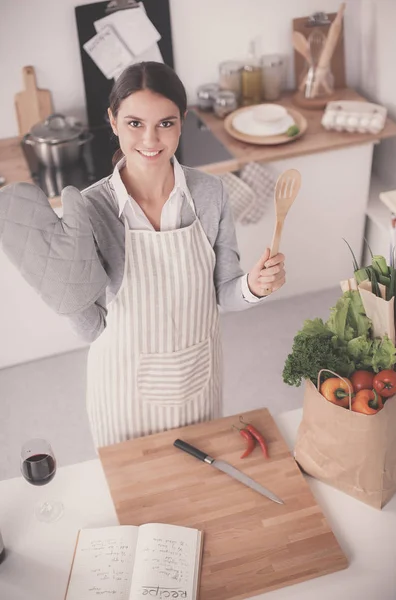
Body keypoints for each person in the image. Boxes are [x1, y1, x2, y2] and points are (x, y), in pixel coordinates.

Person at [3, 62, 286, 448]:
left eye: (165, 124)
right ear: (113, 121)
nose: (150, 139)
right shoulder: (90, 209)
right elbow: (91, 329)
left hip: (196, 383)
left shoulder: (209, 193)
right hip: (124, 394)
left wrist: (254, 286)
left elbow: (224, 293)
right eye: (135, 123)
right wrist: (59, 283)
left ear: (182, 121)